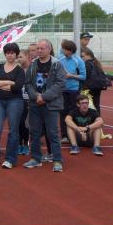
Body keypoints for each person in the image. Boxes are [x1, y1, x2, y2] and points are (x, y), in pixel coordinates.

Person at [24, 39, 66, 172]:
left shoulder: (56, 64)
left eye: (42, 48)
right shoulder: (33, 64)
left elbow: (60, 83)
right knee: (34, 132)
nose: (39, 51)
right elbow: (28, 83)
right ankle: (35, 158)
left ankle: (57, 160)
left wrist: (44, 96)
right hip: (35, 103)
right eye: (38, 48)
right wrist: (36, 96)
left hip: (51, 104)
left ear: (49, 49)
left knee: (52, 133)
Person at [0, 43, 25, 169]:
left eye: (12, 53)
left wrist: (0, 84)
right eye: (8, 53)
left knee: (13, 131)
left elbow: (17, 87)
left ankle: (10, 159)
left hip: (15, 101)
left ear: (16, 54)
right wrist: (9, 82)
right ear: (5, 54)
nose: (10, 55)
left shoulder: (19, 70)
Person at [58, 39, 86, 140]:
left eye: (66, 49)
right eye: (63, 49)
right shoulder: (60, 58)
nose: (64, 51)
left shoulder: (78, 61)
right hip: (62, 89)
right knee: (63, 112)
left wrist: (71, 75)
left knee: (73, 112)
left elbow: (83, 76)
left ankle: (74, 133)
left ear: (71, 50)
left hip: (74, 90)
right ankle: (64, 135)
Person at [81, 47, 106, 115]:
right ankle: (98, 119)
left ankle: (93, 120)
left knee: (89, 106)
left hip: (89, 88)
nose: (82, 58)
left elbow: (85, 77)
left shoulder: (87, 64)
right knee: (96, 105)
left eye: (83, 56)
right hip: (97, 87)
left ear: (89, 55)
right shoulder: (96, 63)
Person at [17, 48, 32, 155]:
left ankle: (26, 144)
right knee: (18, 122)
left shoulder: (32, 69)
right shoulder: (17, 69)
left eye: (21, 57)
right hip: (18, 99)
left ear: (27, 57)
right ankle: (19, 144)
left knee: (25, 123)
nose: (19, 59)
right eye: (18, 57)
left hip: (29, 100)